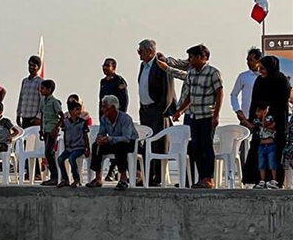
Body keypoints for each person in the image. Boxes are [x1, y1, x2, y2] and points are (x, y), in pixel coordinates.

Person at [172, 44, 223, 189]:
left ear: (201, 57)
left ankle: (208, 178)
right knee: (196, 148)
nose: (189, 60)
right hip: (194, 116)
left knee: (207, 146)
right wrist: (180, 111)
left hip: (207, 116)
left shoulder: (213, 73)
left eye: (191, 57)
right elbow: (189, 95)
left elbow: (219, 94)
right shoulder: (191, 73)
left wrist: (216, 115)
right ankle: (201, 178)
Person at [245, 56, 291, 187]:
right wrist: (254, 118)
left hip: (276, 123)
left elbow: (281, 103)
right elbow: (255, 101)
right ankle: (259, 180)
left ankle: (275, 181)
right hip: (260, 122)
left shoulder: (282, 81)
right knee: (259, 151)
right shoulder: (260, 81)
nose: (260, 71)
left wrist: (272, 119)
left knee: (274, 152)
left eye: (263, 68)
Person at [137, 39, 174, 187]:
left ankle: (158, 176)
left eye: (140, 51)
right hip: (145, 110)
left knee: (159, 144)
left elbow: (168, 91)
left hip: (157, 111)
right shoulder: (143, 66)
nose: (139, 54)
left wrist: (161, 110)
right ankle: (147, 175)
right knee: (147, 144)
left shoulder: (160, 64)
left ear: (149, 51)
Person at [86, 95, 139, 190]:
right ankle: (98, 178)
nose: (102, 109)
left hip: (130, 143)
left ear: (113, 107)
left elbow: (126, 138)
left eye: (105, 107)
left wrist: (109, 139)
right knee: (96, 146)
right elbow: (101, 133)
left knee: (120, 146)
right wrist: (100, 139)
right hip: (114, 142)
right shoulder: (104, 119)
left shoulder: (125, 118)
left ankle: (123, 178)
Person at [244, 103, 279, 189]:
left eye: (258, 111)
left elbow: (266, 125)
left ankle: (274, 180)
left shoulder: (269, 118)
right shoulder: (257, 120)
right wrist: (243, 119)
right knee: (261, 163)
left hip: (270, 144)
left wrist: (264, 116)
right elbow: (252, 126)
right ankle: (262, 180)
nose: (256, 113)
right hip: (262, 145)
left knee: (272, 163)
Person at [58, 100, 90, 187]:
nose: (79, 112)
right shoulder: (66, 123)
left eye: (79, 109)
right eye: (77, 109)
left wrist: (87, 149)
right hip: (69, 148)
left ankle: (77, 179)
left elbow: (85, 136)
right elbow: (65, 135)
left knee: (72, 159)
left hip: (79, 147)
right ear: (71, 111)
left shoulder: (83, 122)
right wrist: (66, 148)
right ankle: (65, 179)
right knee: (60, 159)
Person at [39, 79, 63, 186]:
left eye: (43, 88)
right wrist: (41, 129)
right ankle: (53, 176)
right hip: (46, 129)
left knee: (50, 153)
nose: (41, 90)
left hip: (51, 129)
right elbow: (43, 116)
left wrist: (56, 128)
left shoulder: (54, 101)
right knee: (47, 153)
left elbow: (61, 116)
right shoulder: (43, 101)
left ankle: (55, 176)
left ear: (49, 90)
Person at [230, 47, 262, 126]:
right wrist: (237, 110)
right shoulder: (243, 76)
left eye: (251, 60)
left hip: (263, 118)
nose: (248, 62)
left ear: (258, 61)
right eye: (247, 60)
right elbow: (234, 94)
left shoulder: (265, 77)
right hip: (246, 117)